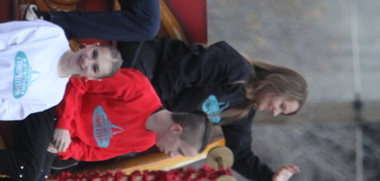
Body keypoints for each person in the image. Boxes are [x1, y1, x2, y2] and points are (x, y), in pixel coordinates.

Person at [118, 38, 307, 181]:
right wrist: (147, 108)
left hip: (146, 107)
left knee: (124, 150)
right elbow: (178, 74)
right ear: (278, 85)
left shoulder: (242, 111)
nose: (274, 112)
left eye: (280, 113)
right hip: (147, 68)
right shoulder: (235, 66)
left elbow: (239, 154)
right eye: (281, 105)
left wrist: (269, 177)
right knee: (123, 109)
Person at [0, 69, 211, 181]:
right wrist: (64, 126)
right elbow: (80, 80)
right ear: (176, 129)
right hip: (52, 104)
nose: (172, 155)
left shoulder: (145, 141)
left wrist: (64, 147)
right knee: (29, 173)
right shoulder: (139, 89)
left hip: (58, 136)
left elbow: (92, 152)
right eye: (179, 150)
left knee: (38, 178)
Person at [0, 18, 121, 121]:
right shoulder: (53, 35)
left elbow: (3, 110)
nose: (86, 61)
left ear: (93, 78)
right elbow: (1, 37)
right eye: (94, 54)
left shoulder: (53, 97)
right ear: (92, 45)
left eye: (94, 67)